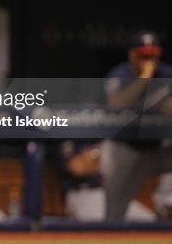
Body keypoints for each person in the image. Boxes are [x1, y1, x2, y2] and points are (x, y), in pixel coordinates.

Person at [102, 31, 172, 221]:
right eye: (144, 55)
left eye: (153, 55)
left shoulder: (166, 74)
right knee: (115, 209)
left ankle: (167, 203)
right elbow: (116, 103)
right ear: (132, 55)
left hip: (157, 148)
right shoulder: (119, 75)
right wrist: (144, 78)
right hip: (124, 149)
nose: (149, 60)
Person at [59, 140, 155, 221]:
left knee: (150, 221)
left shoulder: (101, 132)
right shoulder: (67, 128)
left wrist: (92, 157)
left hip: (108, 193)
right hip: (82, 193)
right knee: (104, 225)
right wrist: (98, 153)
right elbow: (78, 168)